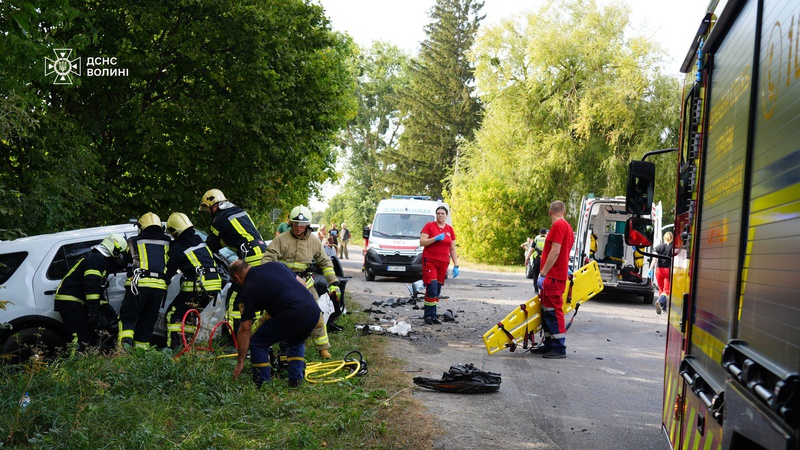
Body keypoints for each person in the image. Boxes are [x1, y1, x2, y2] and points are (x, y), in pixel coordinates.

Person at [261, 205, 341, 359]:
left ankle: (323, 348)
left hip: (305, 284)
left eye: (302, 224)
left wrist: (333, 282)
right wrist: (278, 272)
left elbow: (325, 262)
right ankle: (255, 341)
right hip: (284, 284)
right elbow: (267, 259)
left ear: (308, 225)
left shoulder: (314, 241)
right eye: (295, 223)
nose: (298, 227)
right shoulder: (281, 239)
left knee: (316, 316)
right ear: (291, 223)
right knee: (271, 316)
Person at [229, 260, 321, 388]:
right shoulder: (275, 265)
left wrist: (240, 362)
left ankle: (263, 385)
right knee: (295, 341)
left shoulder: (248, 290)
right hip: (313, 310)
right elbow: (302, 283)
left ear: (236, 278)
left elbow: (245, 328)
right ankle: (295, 380)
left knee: (257, 343)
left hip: (292, 312)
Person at [199, 189, 267, 331]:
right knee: (257, 299)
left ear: (214, 205)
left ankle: (234, 339)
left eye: (208, 208)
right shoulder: (239, 211)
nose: (208, 212)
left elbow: (212, 245)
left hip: (251, 258)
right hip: (265, 254)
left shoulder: (219, 219)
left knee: (234, 300)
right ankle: (257, 338)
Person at [54, 233, 127, 352]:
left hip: (75, 300)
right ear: (116, 251)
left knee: (88, 336)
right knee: (79, 337)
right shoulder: (96, 260)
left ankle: (83, 363)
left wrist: (108, 312)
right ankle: (74, 365)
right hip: (71, 301)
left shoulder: (99, 261)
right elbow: (91, 286)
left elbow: (97, 292)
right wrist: (94, 311)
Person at [163, 212, 224, 348]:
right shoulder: (199, 241)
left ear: (175, 231)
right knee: (189, 318)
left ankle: (174, 350)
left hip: (198, 287)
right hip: (213, 286)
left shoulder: (178, 246)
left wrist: (163, 281)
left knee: (174, 315)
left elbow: (170, 270)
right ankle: (187, 348)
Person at [118, 213, 171, 349]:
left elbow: (123, 260)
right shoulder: (168, 242)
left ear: (141, 227)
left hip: (139, 286)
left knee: (128, 318)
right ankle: (141, 353)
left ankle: (125, 349)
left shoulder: (133, 241)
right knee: (148, 322)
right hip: (159, 288)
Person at [534, 201, 575, 359]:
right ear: (563, 212)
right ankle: (550, 344)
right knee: (547, 311)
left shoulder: (558, 226)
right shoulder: (568, 228)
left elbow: (556, 251)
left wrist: (543, 273)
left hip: (553, 276)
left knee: (553, 310)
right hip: (556, 275)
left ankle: (558, 347)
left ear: (550, 212)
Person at [419, 206, 459, 325]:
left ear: (446, 215)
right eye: (438, 213)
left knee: (437, 290)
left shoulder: (449, 229)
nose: (440, 215)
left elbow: (452, 248)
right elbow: (422, 242)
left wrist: (456, 265)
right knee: (431, 287)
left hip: (443, 262)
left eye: (442, 213)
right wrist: (435, 238)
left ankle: (433, 315)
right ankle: (428, 316)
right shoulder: (429, 226)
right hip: (430, 261)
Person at [651, 231, 673, 315]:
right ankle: (659, 301)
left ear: (664, 237)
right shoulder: (672, 248)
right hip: (667, 270)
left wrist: (650, 269)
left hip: (658, 270)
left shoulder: (659, 247)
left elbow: (655, 259)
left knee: (661, 288)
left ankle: (663, 308)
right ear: (671, 238)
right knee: (666, 290)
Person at [526, 228, 547, 293]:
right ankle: (543, 290)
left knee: (535, 275)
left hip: (537, 259)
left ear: (540, 233)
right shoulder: (548, 239)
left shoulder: (537, 239)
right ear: (546, 233)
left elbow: (531, 249)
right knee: (545, 275)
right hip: (545, 260)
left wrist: (527, 258)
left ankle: (536, 289)